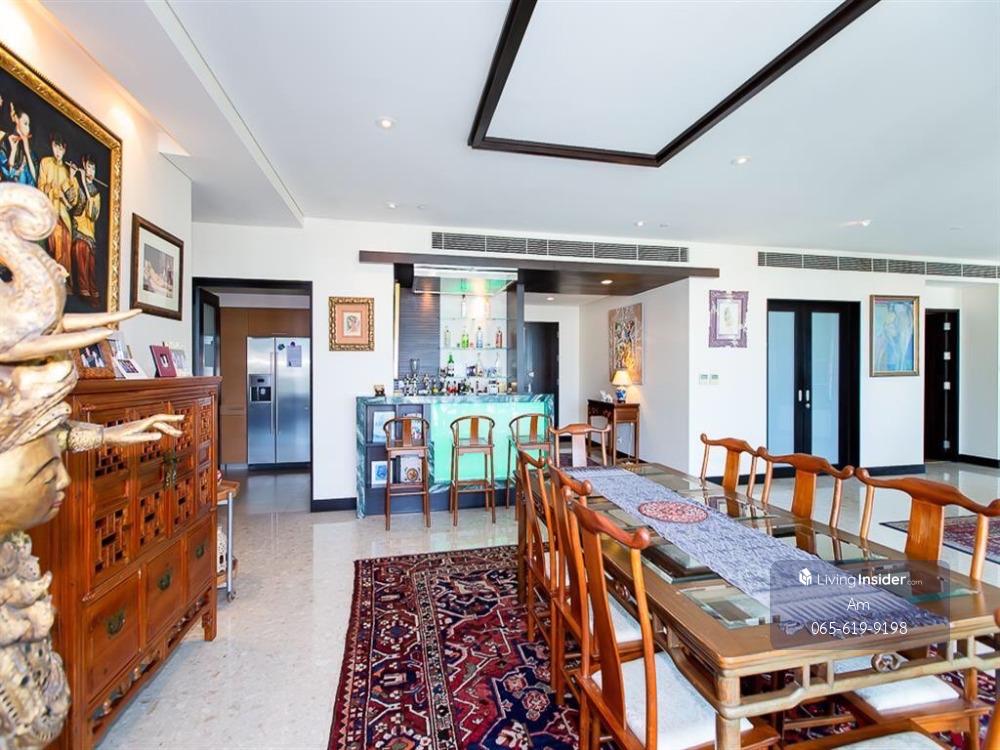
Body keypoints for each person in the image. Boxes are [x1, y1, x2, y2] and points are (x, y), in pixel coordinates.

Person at [37, 134, 77, 279]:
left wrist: (71, 176)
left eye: (61, 148)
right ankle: (55, 277)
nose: (58, 151)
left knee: (65, 242)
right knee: (56, 239)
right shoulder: (45, 162)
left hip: (63, 216)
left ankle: (63, 279)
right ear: (52, 146)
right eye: (55, 146)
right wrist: (49, 188)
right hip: (49, 211)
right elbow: (40, 188)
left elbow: (72, 201)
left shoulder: (67, 170)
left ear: (64, 150)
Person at [70, 153, 101, 307]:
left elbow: (93, 214)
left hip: (89, 232)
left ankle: (92, 293)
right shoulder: (77, 182)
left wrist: (84, 184)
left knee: (90, 263)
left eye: (93, 168)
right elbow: (72, 201)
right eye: (89, 167)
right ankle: (83, 290)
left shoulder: (96, 193)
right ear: (84, 166)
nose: (91, 171)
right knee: (80, 249)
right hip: (78, 228)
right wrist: (72, 176)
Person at [0, 102, 38, 186]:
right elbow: (7, 175)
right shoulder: (5, 142)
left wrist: (27, 152)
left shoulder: (28, 148)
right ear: (16, 119)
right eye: (25, 124)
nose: (28, 129)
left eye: (29, 125)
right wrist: (13, 151)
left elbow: (34, 180)